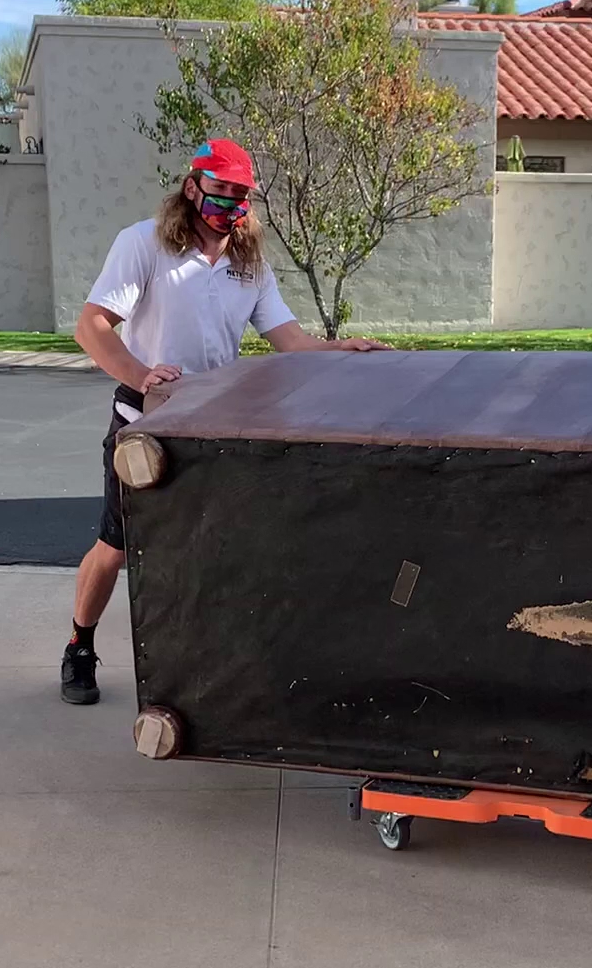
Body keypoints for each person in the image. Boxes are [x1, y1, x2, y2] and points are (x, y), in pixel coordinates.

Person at [61, 137, 384, 704]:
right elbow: (92, 327)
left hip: (215, 425)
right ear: (192, 188)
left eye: (241, 195)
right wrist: (142, 375)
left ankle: (213, 660)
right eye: (220, 191)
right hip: (145, 421)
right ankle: (79, 645)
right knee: (117, 544)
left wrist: (340, 349)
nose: (230, 204)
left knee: (216, 544)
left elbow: (289, 341)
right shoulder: (143, 244)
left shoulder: (248, 264)